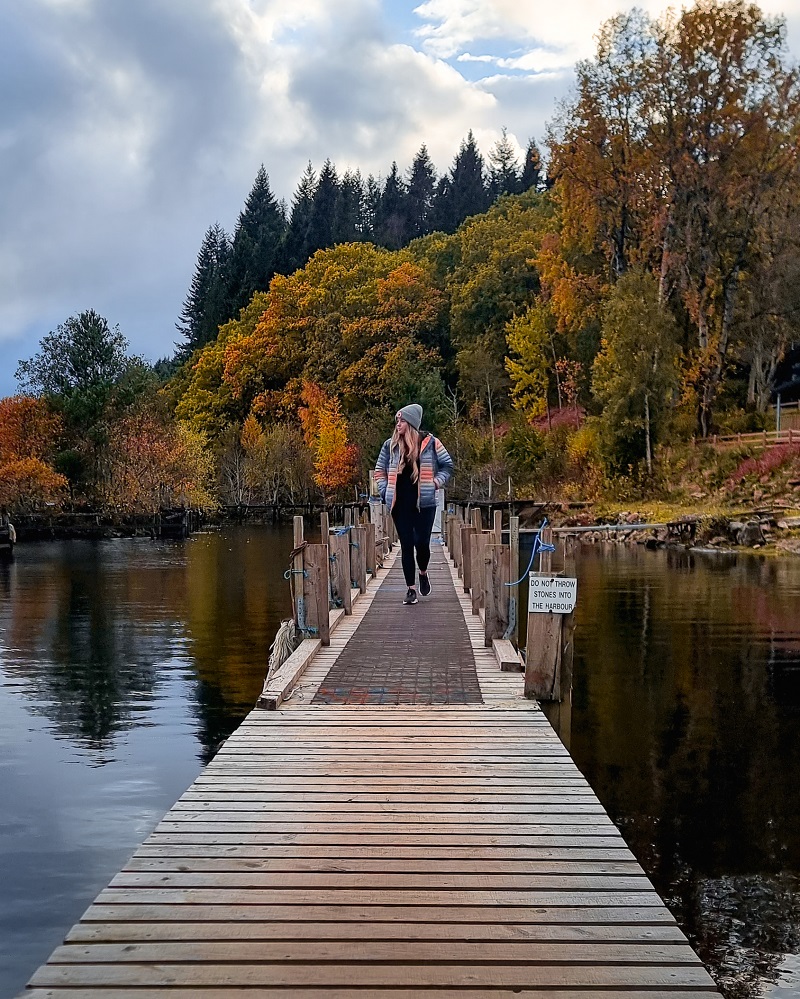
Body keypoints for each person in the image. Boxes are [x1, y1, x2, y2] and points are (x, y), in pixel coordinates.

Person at [374, 404, 454, 605]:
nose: (398, 424)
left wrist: (435, 483)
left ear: (410, 423)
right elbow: (379, 471)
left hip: (425, 504)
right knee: (407, 545)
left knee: (422, 544)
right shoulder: (389, 446)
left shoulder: (431, 443)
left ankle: (423, 572)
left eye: (401, 421)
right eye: (397, 421)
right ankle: (410, 589)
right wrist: (385, 492)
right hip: (399, 505)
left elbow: (447, 465)